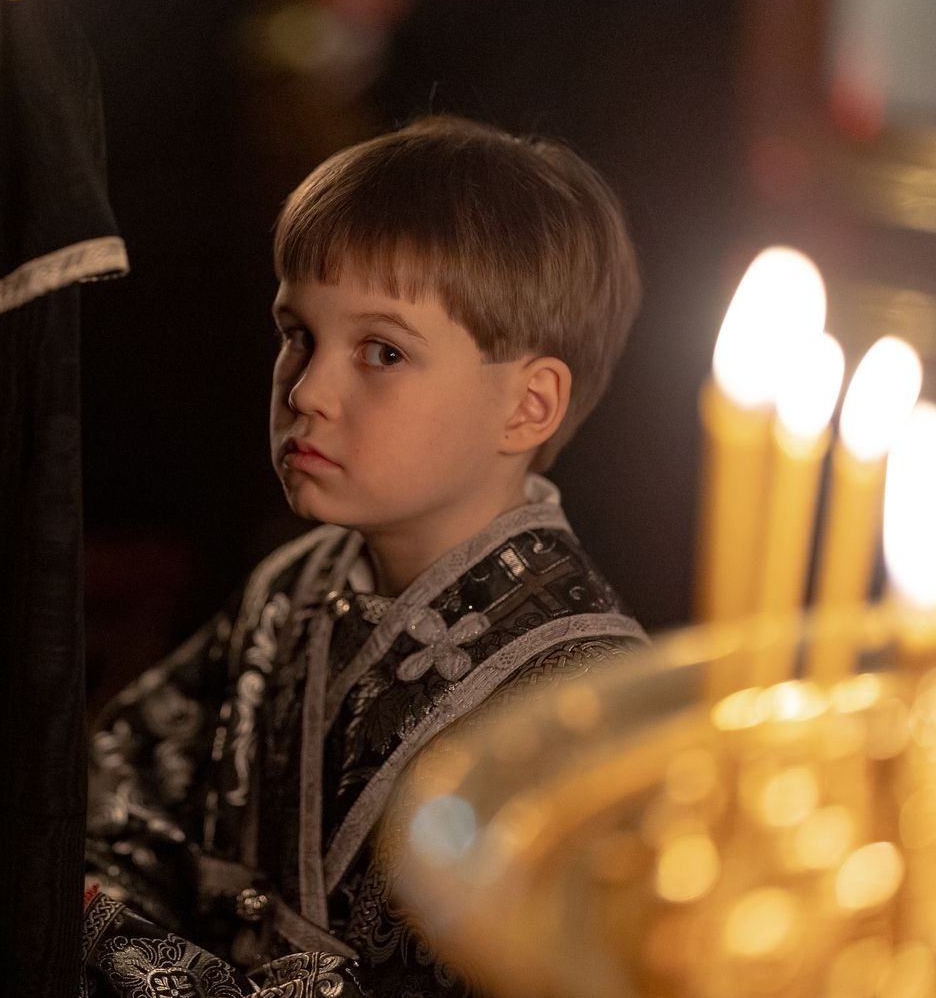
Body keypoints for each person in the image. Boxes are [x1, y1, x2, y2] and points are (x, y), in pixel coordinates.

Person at [83, 115, 647, 996]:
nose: (307, 390)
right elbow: (123, 796)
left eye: (382, 351)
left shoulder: (586, 710)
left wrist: (108, 940)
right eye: (297, 334)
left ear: (528, 406)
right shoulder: (292, 586)